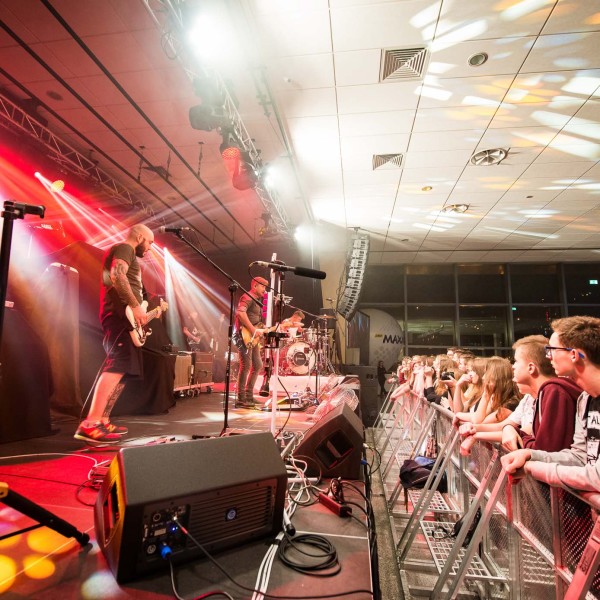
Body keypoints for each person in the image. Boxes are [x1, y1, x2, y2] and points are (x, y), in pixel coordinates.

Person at [74, 224, 158, 445]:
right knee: (117, 365)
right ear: (139, 237)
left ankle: (102, 420)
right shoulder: (125, 248)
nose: (150, 247)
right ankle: (90, 424)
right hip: (119, 315)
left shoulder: (126, 252)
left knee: (123, 370)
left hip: (124, 317)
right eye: (149, 242)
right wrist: (136, 306)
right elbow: (117, 275)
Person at [502, 316, 600, 492]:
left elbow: (596, 477)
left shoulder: (558, 391)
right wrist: (530, 454)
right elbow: (579, 458)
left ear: (573, 355)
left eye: (552, 350)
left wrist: (532, 467)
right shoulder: (585, 399)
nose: (548, 357)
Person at [233, 276, 268, 408]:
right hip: (244, 335)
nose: (264, 289)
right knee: (246, 365)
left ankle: (248, 396)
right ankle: (241, 398)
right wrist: (253, 330)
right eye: (262, 286)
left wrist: (262, 328)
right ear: (255, 286)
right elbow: (240, 313)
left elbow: (254, 318)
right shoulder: (247, 296)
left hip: (252, 337)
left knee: (258, 365)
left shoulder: (257, 300)